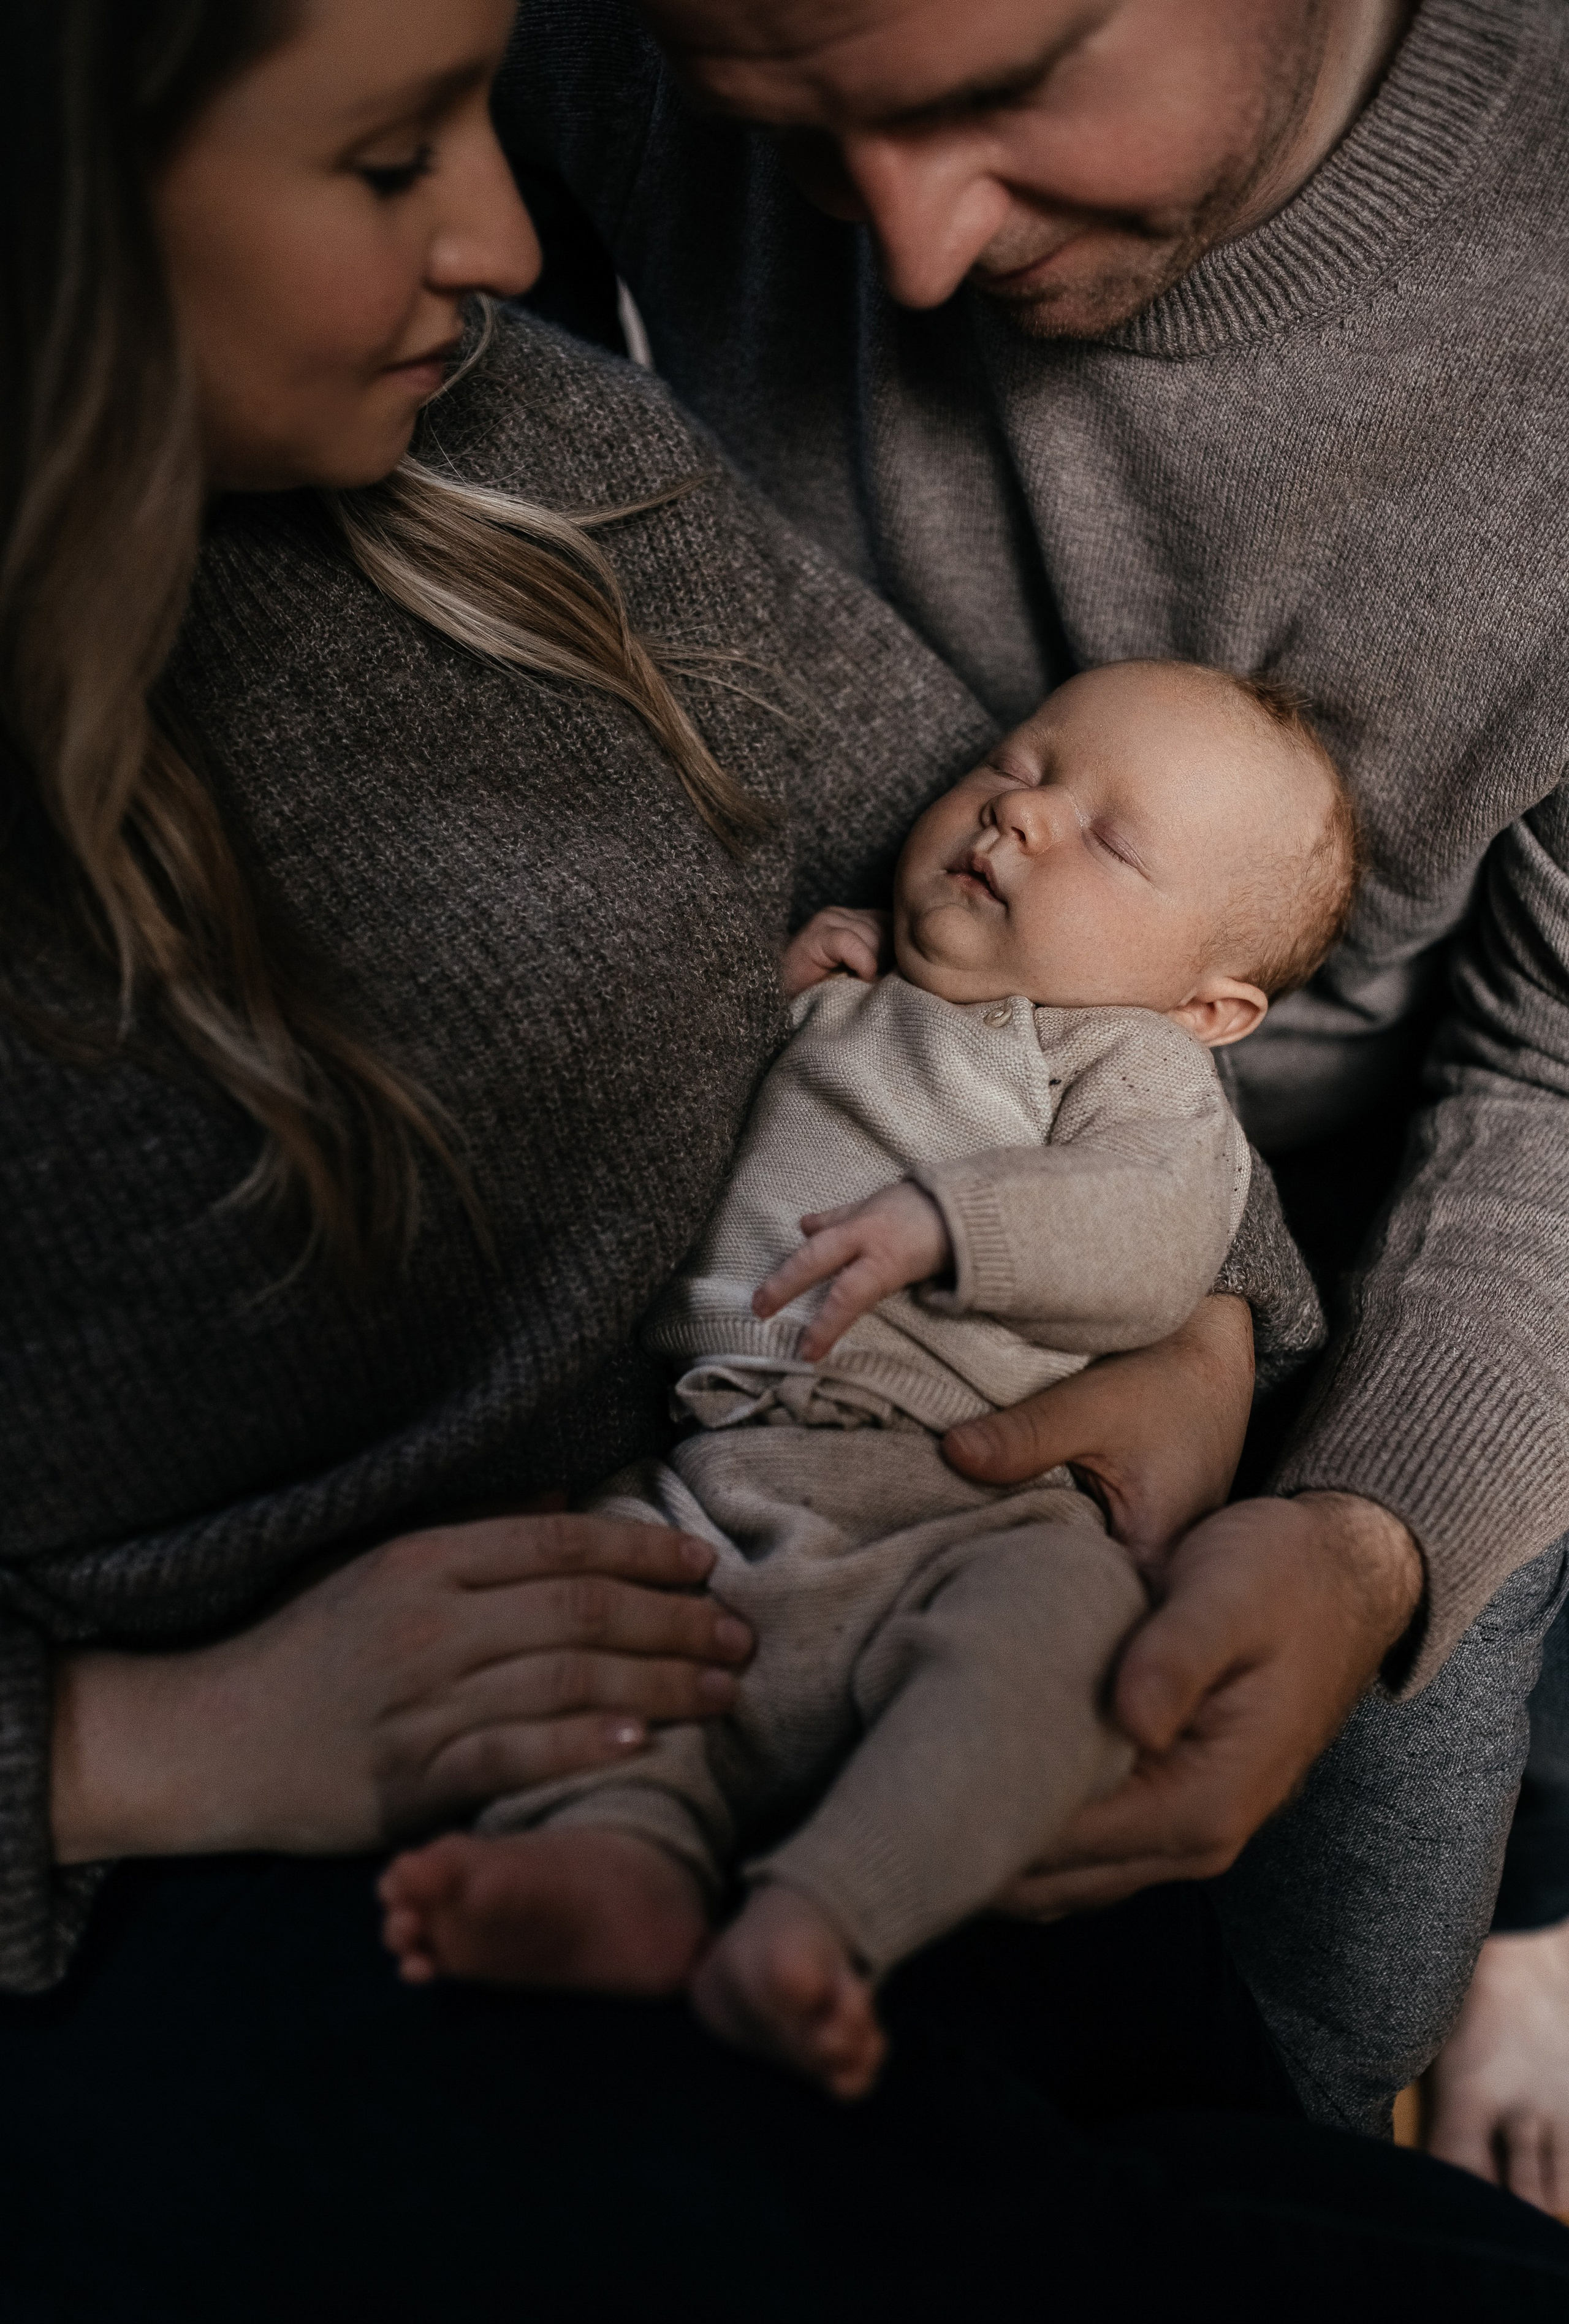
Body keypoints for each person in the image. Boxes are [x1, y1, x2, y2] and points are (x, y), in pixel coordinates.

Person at [500, 0, 1569, 2177]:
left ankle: (1534, 1913)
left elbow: (1546, 1079)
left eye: (1004, 93)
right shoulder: (601, 41)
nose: (899, 262)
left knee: (1326, 1982)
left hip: (1380, 1241)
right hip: (849, 1332)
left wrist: (1357, 1526)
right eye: (786, 138)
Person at [380, 660, 1347, 2106]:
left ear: (1209, 1008)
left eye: (1110, 839)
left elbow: (1158, 1234)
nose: (1022, 818)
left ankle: (825, 1917)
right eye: (1022, 769)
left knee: (1067, 1637)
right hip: (702, 1470)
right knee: (561, 1608)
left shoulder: (1125, 1065)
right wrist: (767, 1001)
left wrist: (958, 1219)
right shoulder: (846, 985)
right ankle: (616, 1858)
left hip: (946, 1504)